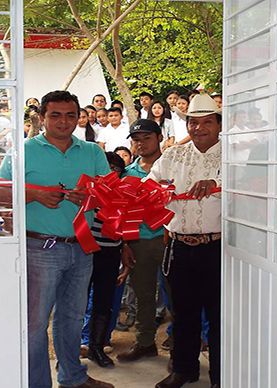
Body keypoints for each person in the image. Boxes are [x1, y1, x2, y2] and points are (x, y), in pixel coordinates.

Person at [0, 90, 114, 388]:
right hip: (39, 248)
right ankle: (37, 383)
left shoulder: (92, 151)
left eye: (70, 115)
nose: (64, 122)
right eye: (56, 115)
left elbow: (108, 197)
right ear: (42, 117)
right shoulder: (23, 151)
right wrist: (34, 194)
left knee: (72, 318)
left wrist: (89, 197)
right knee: (35, 324)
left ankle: (72, 377)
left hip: (81, 247)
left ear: (79, 117)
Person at [149, 93, 222, 388]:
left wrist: (219, 185)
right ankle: (184, 368)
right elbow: (149, 186)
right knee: (183, 313)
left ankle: (221, 374)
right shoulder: (172, 155)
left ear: (218, 124)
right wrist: (154, 193)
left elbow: (255, 187)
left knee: (220, 316)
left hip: (220, 247)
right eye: (193, 122)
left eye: (207, 122)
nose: (199, 128)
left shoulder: (237, 155)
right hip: (179, 245)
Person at [116, 119, 166, 364]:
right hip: (139, 241)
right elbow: (121, 212)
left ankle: (183, 346)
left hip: (170, 239)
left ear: (159, 137)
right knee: (143, 295)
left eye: (147, 137)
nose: (141, 143)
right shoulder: (127, 173)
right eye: (136, 139)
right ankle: (145, 343)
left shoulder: (174, 165)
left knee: (179, 295)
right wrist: (125, 244)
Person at [83, 152, 133, 368]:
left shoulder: (124, 196)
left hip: (111, 253)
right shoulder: (88, 191)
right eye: (108, 167)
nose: (112, 172)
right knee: (78, 302)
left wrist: (124, 249)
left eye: (116, 169)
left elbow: (126, 229)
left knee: (104, 302)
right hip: (86, 251)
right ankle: (72, 350)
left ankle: (97, 346)